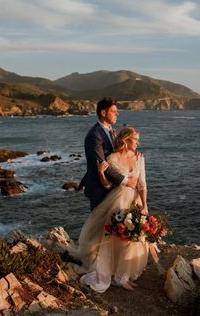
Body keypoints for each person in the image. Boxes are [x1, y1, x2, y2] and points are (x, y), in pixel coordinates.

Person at [73, 126, 150, 293]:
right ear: (126, 140)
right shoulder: (112, 158)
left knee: (132, 239)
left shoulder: (139, 158)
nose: (138, 143)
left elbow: (143, 184)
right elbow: (108, 185)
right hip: (117, 201)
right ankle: (119, 278)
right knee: (119, 238)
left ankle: (124, 274)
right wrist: (101, 174)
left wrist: (145, 206)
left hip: (135, 202)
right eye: (136, 140)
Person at [80, 97, 138, 210]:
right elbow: (102, 165)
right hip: (100, 189)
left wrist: (134, 154)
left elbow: (119, 154)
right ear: (103, 113)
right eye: (114, 111)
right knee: (100, 226)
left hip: (112, 189)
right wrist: (126, 181)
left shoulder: (111, 131)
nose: (117, 114)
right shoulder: (95, 135)